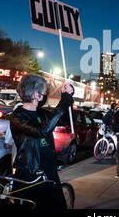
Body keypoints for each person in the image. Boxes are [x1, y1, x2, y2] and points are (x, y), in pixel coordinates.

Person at [10, 75, 73, 209]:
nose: (45, 95)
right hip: (30, 175)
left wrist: (67, 96)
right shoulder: (18, 117)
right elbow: (42, 131)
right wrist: (63, 103)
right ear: (35, 95)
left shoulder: (42, 113)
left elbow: (60, 119)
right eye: (43, 92)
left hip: (49, 172)